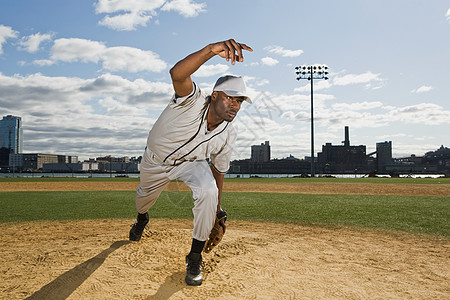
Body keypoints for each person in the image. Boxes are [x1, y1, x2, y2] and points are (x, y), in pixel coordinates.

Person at [129, 39, 253, 286]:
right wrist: (210, 50)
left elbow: (218, 170)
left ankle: (194, 256)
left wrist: (217, 211)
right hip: (155, 161)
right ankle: (142, 219)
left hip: (192, 163)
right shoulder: (192, 101)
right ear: (215, 95)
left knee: (208, 190)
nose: (236, 105)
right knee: (143, 198)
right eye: (231, 98)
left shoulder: (229, 131)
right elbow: (177, 74)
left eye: (240, 101)